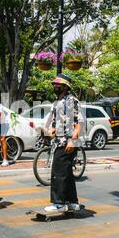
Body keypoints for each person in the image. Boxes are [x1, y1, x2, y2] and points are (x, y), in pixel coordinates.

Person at [44, 74, 84, 212]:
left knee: (58, 172)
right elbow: (57, 122)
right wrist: (51, 130)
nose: (55, 86)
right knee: (66, 172)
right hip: (59, 141)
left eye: (58, 84)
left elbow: (80, 122)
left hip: (67, 142)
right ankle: (72, 202)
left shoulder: (72, 101)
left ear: (65, 87)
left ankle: (59, 203)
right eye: (54, 84)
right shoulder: (57, 102)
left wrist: (73, 141)